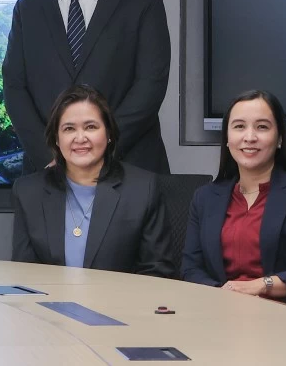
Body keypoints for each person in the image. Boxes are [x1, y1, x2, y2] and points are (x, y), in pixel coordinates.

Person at [2, 0, 170, 176]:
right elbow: (15, 87)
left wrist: (100, 149)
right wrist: (51, 155)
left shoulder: (144, 2)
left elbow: (150, 86)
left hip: (127, 167)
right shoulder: (29, 8)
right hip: (50, 172)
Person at [182, 90, 286, 315]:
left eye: (262, 127)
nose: (249, 137)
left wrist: (262, 286)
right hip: (222, 312)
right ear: (227, 139)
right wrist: (223, 295)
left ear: (279, 138)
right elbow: (191, 269)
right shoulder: (205, 198)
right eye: (239, 126)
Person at [11, 84, 172, 277]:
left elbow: (157, 272)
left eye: (91, 127)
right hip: (49, 297)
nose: (80, 138)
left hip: (119, 297)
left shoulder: (142, 189)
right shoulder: (28, 192)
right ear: (56, 138)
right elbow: (26, 275)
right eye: (69, 128)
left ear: (109, 133)